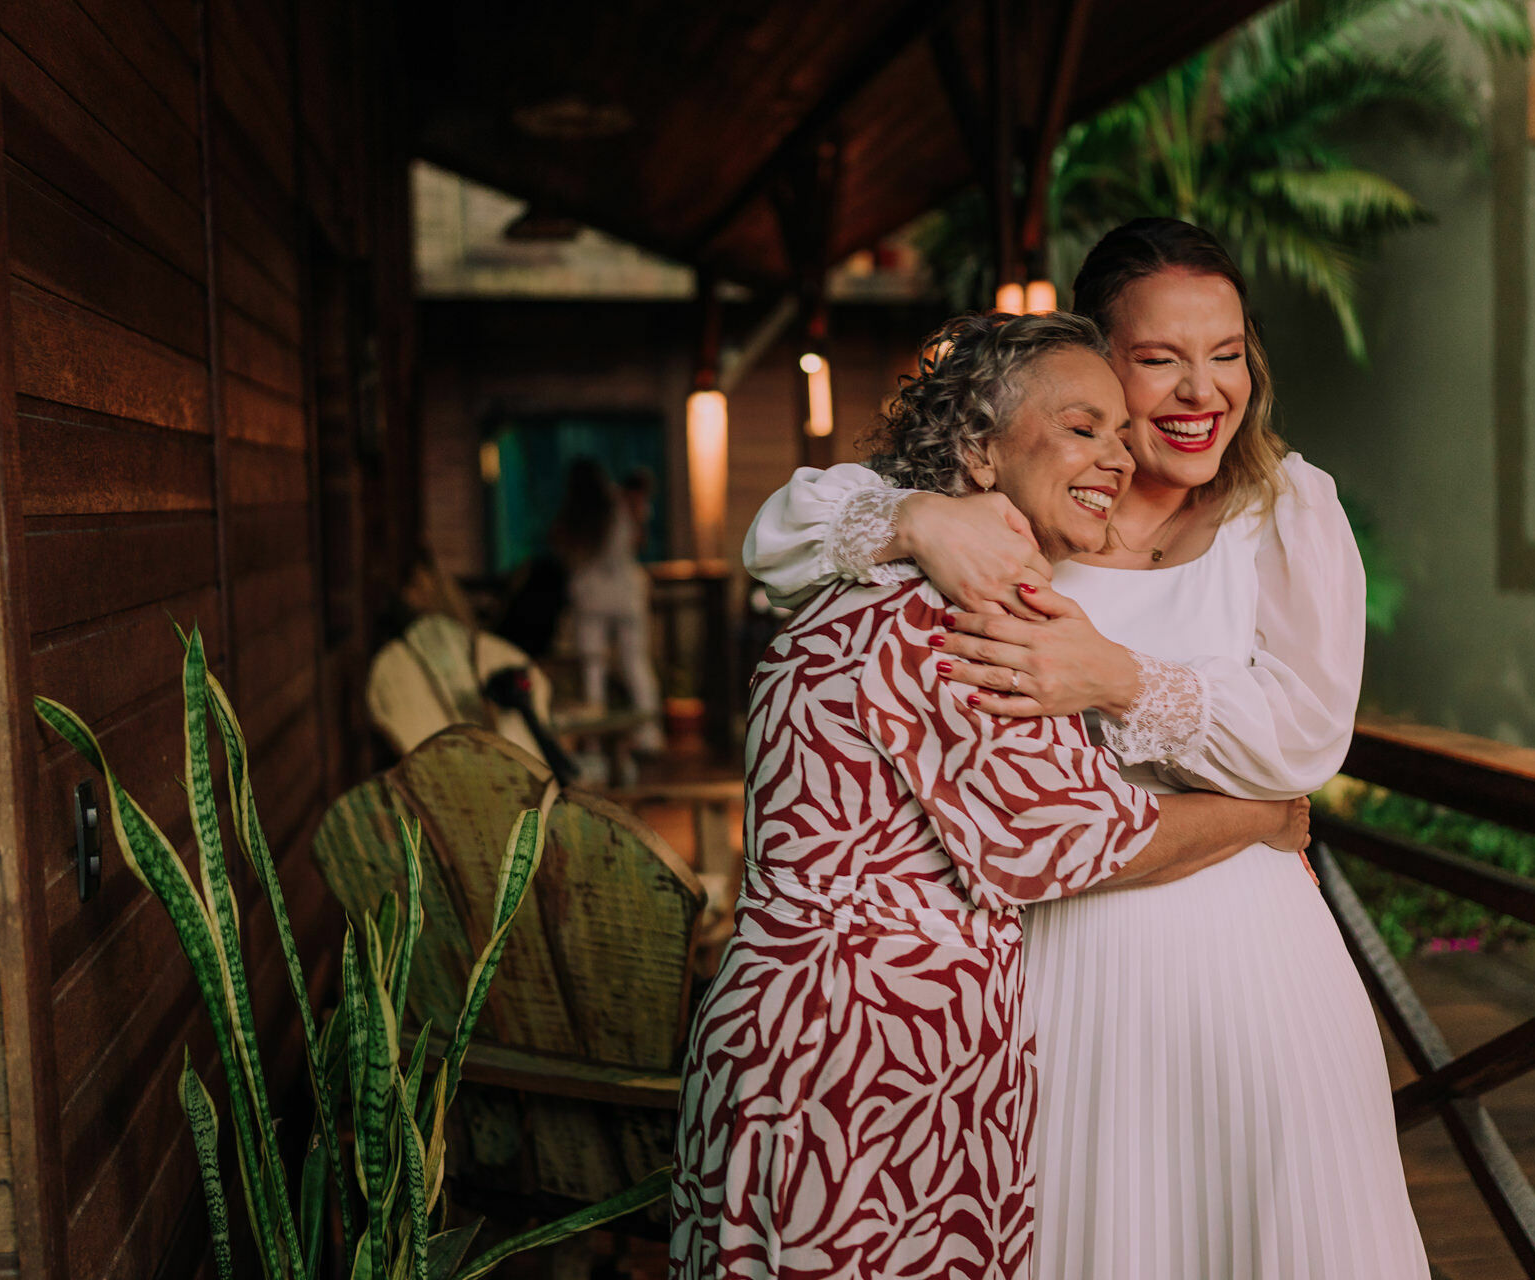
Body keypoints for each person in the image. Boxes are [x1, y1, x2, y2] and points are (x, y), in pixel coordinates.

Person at [743, 219, 1429, 1279]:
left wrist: (1117, 677)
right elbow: (780, 538)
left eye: (1227, 353)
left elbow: (1304, 739)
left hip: (1255, 966)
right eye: (1159, 358)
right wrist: (918, 517)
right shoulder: (1010, 509)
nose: (1202, 390)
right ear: (1098, 364)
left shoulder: (1287, 508)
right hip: (1055, 963)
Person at [670, 310, 1311, 1280]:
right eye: (1082, 427)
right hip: (860, 1061)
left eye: (1120, 432)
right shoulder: (952, 613)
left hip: (814, 1042)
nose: (1119, 458)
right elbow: (1076, 839)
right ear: (977, 448)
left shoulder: (879, 573)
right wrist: (1266, 814)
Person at [554, 457, 663, 752]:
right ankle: (649, 735)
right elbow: (639, 541)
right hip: (626, 593)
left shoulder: (578, 513)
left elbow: (564, 550)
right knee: (635, 663)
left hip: (591, 595)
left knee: (593, 668)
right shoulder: (621, 504)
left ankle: (594, 740)